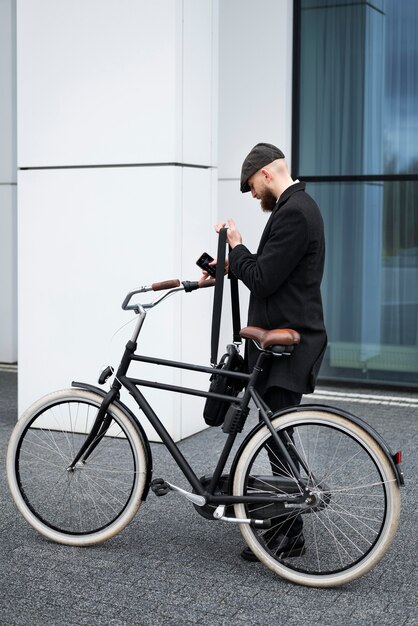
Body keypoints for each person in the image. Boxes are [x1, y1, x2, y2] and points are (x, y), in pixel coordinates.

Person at [201, 142, 327, 561]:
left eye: (253, 186)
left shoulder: (293, 212)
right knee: (276, 437)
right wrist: (226, 266)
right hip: (281, 344)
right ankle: (284, 528)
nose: (253, 195)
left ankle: (290, 533)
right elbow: (269, 269)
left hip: (288, 346)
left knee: (277, 438)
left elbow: (264, 278)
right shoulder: (295, 208)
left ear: (268, 174)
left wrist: (235, 246)